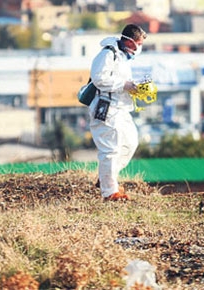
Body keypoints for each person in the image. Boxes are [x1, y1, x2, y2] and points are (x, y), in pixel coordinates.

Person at [88, 24, 147, 201]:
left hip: (121, 107)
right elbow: (99, 78)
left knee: (130, 142)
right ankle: (109, 192)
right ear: (129, 41)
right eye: (138, 43)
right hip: (106, 108)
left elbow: (120, 80)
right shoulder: (107, 54)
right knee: (111, 149)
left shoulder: (124, 57)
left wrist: (133, 88)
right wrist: (124, 85)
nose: (140, 47)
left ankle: (106, 176)